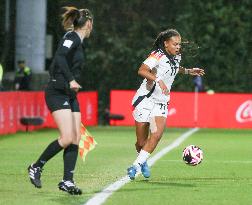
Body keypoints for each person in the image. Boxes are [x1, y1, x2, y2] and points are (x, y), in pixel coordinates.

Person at [27, 6, 93, 195]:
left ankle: (67, 181)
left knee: (76, 138)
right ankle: (36, 166)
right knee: (66, 138)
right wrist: (71, 79)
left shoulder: (78, 41)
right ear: (89, 24)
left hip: (69, 94)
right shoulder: (71, 38)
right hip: (57, 92)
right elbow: (60, 57)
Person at [127, 29, 205, 180]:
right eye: (175, 44)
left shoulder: (177, 57)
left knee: (156, 136)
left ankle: (136, 165)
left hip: (161, 102)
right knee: (141, 142)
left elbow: (175, 69)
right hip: (145, 99)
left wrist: (189, 71)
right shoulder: (157, 55)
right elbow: (142, 70)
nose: (178, 47)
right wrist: (158, 80)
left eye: (179, 44)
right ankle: (142, 160)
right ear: (166, 44)